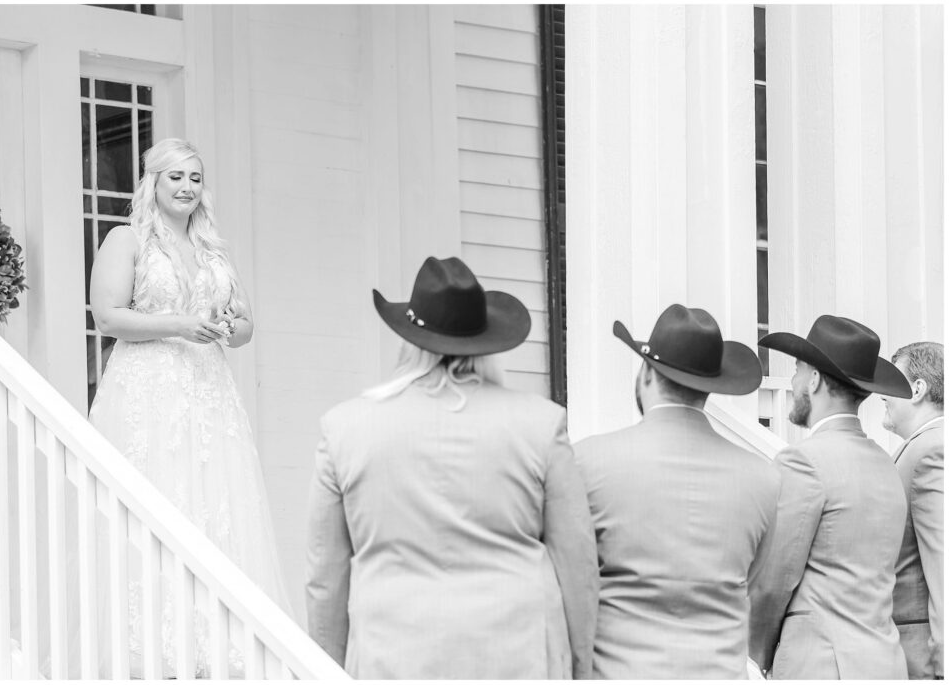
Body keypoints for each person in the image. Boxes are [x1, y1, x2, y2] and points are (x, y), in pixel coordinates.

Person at [304, 256, 598, 679]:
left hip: (393, 658)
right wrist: (581, 665)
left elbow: (325, 579)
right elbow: (577, 565)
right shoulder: (541, 423)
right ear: (488, 344)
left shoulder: (344, 428)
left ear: (409, 341)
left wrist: (326, 670)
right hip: (520, 655)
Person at [88, 138, 290, 676]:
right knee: (154, 505)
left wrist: (230, 325)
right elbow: (107, 317)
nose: (186, 187)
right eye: (175, 176)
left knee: (213, 509)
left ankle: (210, 648)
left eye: (195, 178)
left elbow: (245, 327)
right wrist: (180, 325)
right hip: (147, 392)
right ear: (152, 182)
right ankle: (143, 651)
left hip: (208, 394)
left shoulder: (213, 251)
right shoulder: (125, 240)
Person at [573, 304, 779, 679]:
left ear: (647, 373)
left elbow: (573, 581)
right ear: (711, 387)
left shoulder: (588, 460)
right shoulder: (763, 478)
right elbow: (756, 580)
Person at [750, 315, 911, 679]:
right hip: (885, 664)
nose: (792, 382)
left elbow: (774, 578)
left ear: (815, 379)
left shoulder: (802, 461)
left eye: (796, 370)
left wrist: (753, 654)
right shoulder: (887, 465)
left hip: (823, 666)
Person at [883, 342, 944, 679]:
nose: (884, 395)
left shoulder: (932, 451)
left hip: (924, 658)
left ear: (918, 389)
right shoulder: (920, 448)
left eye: (894, 383)